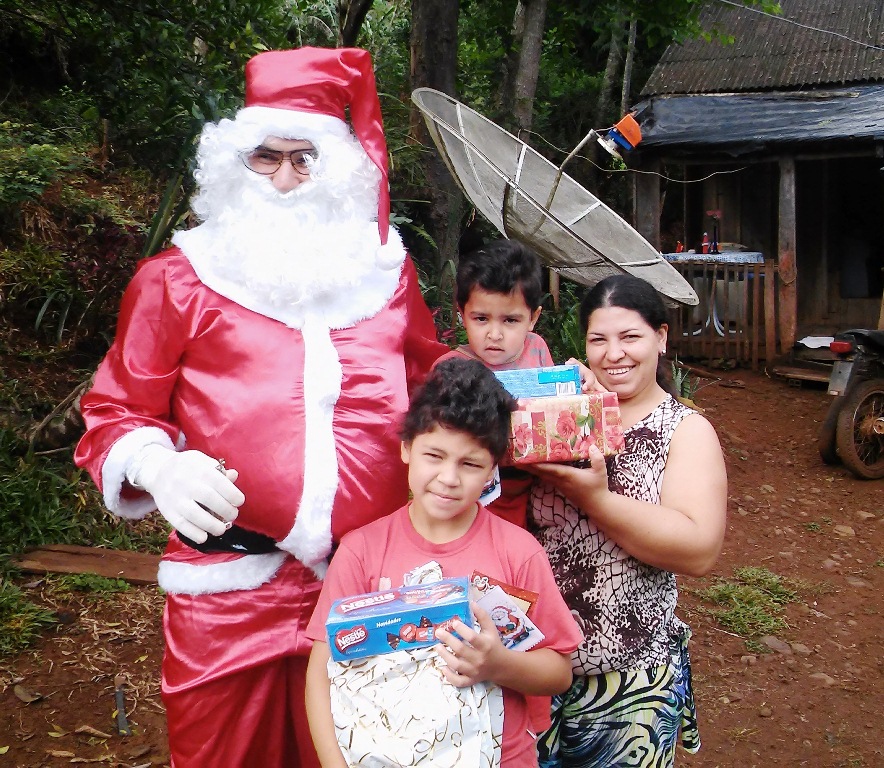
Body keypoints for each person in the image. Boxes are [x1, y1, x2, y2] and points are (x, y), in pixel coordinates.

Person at [74, 47, 446, 768]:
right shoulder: (176, 279)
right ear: (233, 162)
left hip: (365, 591)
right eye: (264, 158)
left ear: (337, 167)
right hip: (225, 595)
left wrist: (526, 398)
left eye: (304, 159)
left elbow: (434, 382)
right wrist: (156, 464)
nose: (283, 179)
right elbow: (115, 409)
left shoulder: (386, 275)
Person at [304, 357, 583, 768]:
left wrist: (499, 664)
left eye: (470, 464)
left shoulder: (518, 553)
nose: (449, 478)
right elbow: (321, 670)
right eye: (434, 455)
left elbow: (558, 671)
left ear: (492, 471)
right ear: (406, 449)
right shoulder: (362, 551)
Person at [527, 274, 728, 767]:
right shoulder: (559, 416)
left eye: (630, 337)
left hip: (629, 678)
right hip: (529, 668)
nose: (614, 354)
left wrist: (595, 498)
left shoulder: (684, 430)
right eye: (599, 340)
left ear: (660, 337)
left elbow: (698, 549)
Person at [435, 238, 554, 528]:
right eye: (481, 319)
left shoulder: (536, 348)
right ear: (462, 314)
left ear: (533, 318)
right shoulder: (450, 368)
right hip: (475, 496)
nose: (495, 334)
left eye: (510, 320)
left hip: (539, 486)